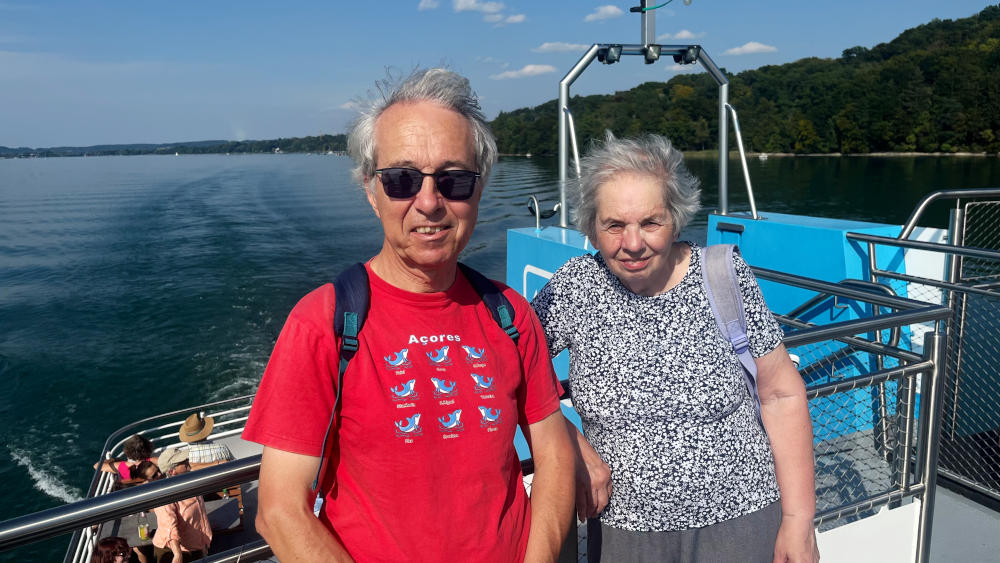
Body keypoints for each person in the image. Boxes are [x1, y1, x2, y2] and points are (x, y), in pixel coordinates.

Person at [243, 67, 575, 562]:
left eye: (453, 180)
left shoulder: (510, 314)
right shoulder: (325, 322)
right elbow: (278, 509)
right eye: (401, 179)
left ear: (478, 191)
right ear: (370, 191)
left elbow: (553, 453)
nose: (428, 202)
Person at [531, 132, 820, 563]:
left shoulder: (723, 275)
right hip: (623, 533)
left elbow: (780, 394)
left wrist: (799, 521)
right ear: (592, 226)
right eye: (614, 225)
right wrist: (572, 443)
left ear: (677, 218)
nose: (632, 244)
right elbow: (511, 376)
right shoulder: (575, 288)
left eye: (651, 223)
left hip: (742, 520)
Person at [149, 447, 212, 563]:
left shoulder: (189, 483)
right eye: (182, 462)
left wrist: (202, 544)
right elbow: (170, 527)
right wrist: (177, 554)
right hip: (172, 551)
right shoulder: (165, 495)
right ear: (172, 472)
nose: (187, 461)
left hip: (194, 547)